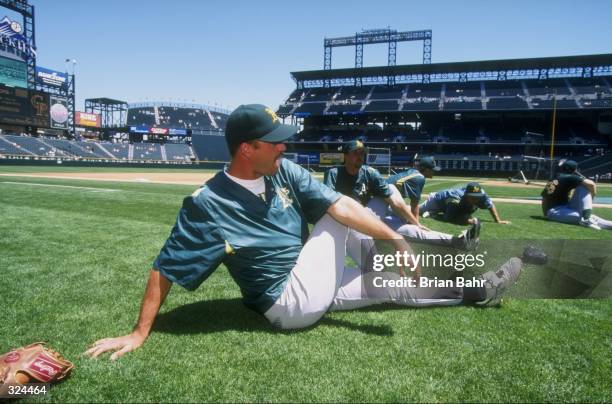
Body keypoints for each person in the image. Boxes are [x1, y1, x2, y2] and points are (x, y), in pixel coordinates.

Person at [85, 104, 522, 361]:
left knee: (387, 285)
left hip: (311, 281)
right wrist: (140, 332)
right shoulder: (207, 203)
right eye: (273, 141)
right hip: (285, 304)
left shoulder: (284, 170)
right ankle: (397, 257)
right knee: (339, 214)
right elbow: (165, 268)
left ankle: (476, 290)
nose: (284, 146)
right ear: (246, 149)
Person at [324, 142, 481, 263]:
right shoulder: (333, 173)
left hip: (371, 217)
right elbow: (329, 206)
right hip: (349, 222)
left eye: (362, 154)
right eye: (355, 153)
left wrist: (415, 222)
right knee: (375, 269)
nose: (360, 157)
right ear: (345, 155)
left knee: (413, 230)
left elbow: (394, 201)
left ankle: (459, 242)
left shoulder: (369, 172)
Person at [541, 160, 612, 230]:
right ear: (575, 169)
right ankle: (587, 219)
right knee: (585, 188)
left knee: (586, 215)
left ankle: (587, 219)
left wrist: (545, 214)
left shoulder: (553, 177)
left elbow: (544, 198)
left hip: (561, 209)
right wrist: (592, 197)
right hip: (555, 212)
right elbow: (592, 184)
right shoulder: (570, 177)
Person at [419, 182, 510, 225]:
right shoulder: (456, 198)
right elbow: (449, 218)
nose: (476, 199)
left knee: (468, 210)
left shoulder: (482, 194)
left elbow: (490, 205)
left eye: (477, 196)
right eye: (473, 197)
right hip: (437, 201)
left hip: (457, 204)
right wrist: (469, 221)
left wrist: (497, 220)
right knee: (419, 211)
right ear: (466, 195)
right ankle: (431, 214)